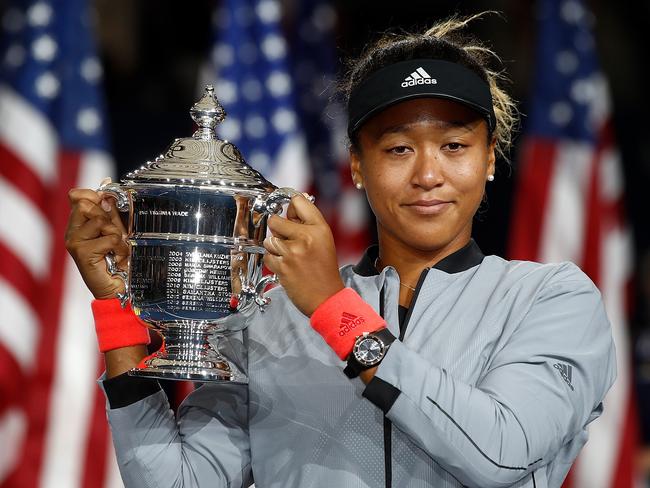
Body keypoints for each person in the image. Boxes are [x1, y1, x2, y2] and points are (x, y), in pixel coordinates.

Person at [65, 13, 616, 488]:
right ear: (356, 165)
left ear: (490, 158)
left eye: (454, 146)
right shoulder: (268, 321)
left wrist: (334, 310)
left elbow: (502, 452)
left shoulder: (552, 299)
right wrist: (120, 312)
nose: (428, 174)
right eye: (398, 149)